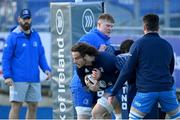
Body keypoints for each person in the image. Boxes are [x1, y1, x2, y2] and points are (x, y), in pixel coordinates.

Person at [108, 13, 180, 119]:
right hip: (166, 90)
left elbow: (127, 70)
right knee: (176, 117)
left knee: (133, 118)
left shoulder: (138, 44)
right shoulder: (167, 45)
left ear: (144, 27)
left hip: (146, 91)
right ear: (158, 28)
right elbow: (171, 68)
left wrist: (113, 92)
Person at [2, 9, 51, 119]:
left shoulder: (36, 35)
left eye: (28, 18)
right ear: (19, 19)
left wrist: (46, 69)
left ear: (31, 19)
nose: (26, 21)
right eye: (24, 19)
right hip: (17, 79)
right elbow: (6, 58)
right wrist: (7, 76)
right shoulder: (13, 36)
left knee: (33, 106)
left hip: (34, 78)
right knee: (16, 106)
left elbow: (41, 55)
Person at [70, 13, 119, 119]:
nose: (110, 28)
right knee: (85, 116)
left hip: (98, 83)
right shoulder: (89, 37)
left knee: (103, 114)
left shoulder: (106, 40)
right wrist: (98, 52)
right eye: (107, 26)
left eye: (112, 26)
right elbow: (79, 60)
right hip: (82, 84)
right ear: (99, 24)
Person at [71, 42, 122, 119]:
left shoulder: (106, 60)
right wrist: (90, 87)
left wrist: (101, 77)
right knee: (104, 115)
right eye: (73, 58)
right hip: (108, 89)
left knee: (97, 112)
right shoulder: (80, 68)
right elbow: (85, 87)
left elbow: (122, 77)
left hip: (119, 87)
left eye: (77, 58)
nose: (74, 62)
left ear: (86, 56)